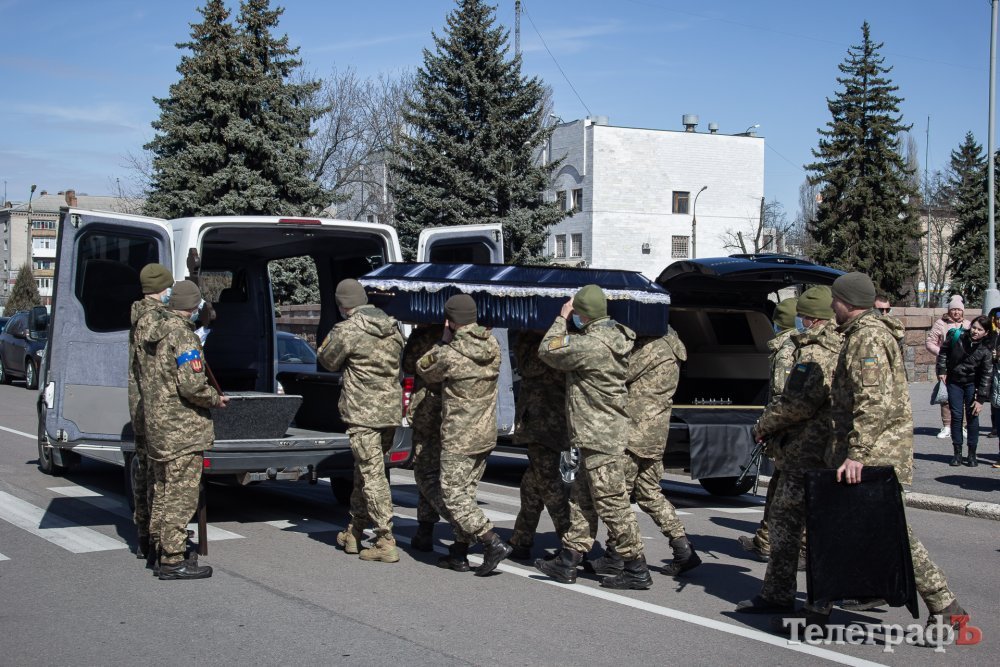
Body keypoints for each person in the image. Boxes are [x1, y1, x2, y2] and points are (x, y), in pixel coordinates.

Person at [800, 272, 967, 636]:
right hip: (860, 451)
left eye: (836, 300)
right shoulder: (859, 334)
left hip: (873, 454)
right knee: (838, 527)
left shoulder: (869, 338)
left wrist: (857, 453)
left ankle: (945, 605)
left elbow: (873, 400)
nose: (832, 306)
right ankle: (818, 610)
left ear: (848, 302)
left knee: (891, 532)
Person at [534, 285, 652, 590]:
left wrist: (562, 318)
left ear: (583, 315)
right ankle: (569, 559)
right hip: (597, 433)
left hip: (599, 435)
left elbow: (547, 350)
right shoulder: (613, 336)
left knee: (612, 503)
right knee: (582, 498)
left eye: (577, 312)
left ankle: (636, 567)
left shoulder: (590, 344)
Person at [734, 286, 842, 620]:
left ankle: (799, 600)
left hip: (806, 449)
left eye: (803, 316)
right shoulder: (842, 343)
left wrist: (763, 425)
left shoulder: (814, 351)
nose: (800, 322)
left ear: (811, 319)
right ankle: (783, 595)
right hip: (825, 447)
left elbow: (794, 403)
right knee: (796, 522)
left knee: (790, 523)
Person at [589, 327, 701, 578]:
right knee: (649, 492)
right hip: (656, 432)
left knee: (618, 495)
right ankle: (682, 548)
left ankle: (616, 555)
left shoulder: (653, 346)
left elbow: (620, 373)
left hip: (635, 432)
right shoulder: (673, 344)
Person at [415, 294, 512, 576]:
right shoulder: (492, 345)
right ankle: (458, 553)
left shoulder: (450, 353)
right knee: (466, 493)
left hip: (460, 435)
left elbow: (423, 367)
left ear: (450, 321)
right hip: (485, 433)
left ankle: (490, 540)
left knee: (451, 495)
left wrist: (443, 340)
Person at [142, 280, 228, 580]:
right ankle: (173, 559)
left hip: (158, 426)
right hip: (182, 429)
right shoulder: (184, 337)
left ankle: (158, 547)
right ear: (192, 307)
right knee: (181, 496)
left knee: (162, 491)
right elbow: (192, 386)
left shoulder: (154, 332)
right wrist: (215, 399)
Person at [318, 278, 405, 563]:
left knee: (372, 475)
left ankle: (385, 539)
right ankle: (354, 531)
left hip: (363, 413)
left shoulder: (347, 329)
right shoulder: (392, 326)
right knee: (365, 471)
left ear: (343, 305)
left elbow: (327, 361)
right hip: (389, 411)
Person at [738, 297, 798, 562]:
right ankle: (766, 540)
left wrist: (765, 427)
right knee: (777, 488)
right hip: (793, 433)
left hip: (788, 434)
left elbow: (781, 396)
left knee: (785, 492)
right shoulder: (800, 345)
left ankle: (775, 545)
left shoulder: (785, 350)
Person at [508, 331, 571, 561]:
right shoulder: (559, 337)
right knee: (532, 484)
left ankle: (572, 543)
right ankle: (521, 540)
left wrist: (529, 339)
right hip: (542, 420)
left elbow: (529, 366)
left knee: (548, 483)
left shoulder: (546, 341)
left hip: (546, 422)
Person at [127, 263, 173, 564]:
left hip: (142, 406)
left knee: (145, 473)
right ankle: (155, 540)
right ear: (161, 288)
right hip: (155, 408)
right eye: (169, 287)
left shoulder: (139, 314)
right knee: (158, 478)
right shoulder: (154, 318)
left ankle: (145, 535)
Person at [401, 323, 447, 552]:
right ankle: (427, 531)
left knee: (425, 472)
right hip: (456, 417)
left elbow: (409, 365)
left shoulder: (424, 334)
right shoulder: (467, 336)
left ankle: (432, 527)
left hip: (428, 412)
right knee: (448, 476)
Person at [936, 314, 992, 467]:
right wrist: (942, 370)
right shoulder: (957, 337)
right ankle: (957, 453)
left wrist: (980, 399)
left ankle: (972, 454)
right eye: (974, 327)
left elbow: (987, 375)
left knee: (973, 417)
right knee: (956, 416)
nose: (975, 331)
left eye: (980, 330)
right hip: (954, 382)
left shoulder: (986, 350)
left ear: (986, 333)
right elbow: (943, 352)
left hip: (972, 385)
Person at [926, 296, 970, 439]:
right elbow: (930, 342)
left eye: (959, 309)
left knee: (963, 396)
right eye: (953, 309)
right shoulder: (941, 324)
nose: (956, 312)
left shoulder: (968, 324)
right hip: (945, 365)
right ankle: (947, 426)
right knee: (945, 396)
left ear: (963, 311)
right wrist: (942, 352)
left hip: (964, 366)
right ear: (949, 310)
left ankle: (962, 426)